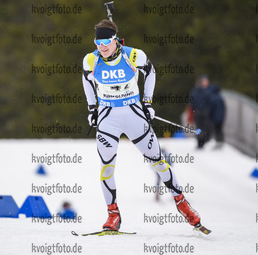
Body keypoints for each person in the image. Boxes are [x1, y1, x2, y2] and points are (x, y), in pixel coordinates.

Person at [82, 19, 205, 232]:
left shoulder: (133, 55)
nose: (101, 46)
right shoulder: (91, 60)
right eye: (97, 42)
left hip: (133, 114)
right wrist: (92, 108)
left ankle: (182, 203)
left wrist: (147, 103)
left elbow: (151, 73)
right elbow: (86, 80)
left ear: (115, 40)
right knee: (106, 167)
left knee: (158, 161)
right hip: (107, 117)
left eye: (105, 41)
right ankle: (113, 215)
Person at [189, 75, 212, 149]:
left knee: (201, 127)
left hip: (201, 112)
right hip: (200, 112)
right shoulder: (204, 91)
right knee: (201, 127)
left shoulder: (197, 90)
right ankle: (200, 142)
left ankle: (201, 142)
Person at [208, 84, 226, 149]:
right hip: (221, 117)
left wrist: (210, 116)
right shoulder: (220, 98)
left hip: (215, 118)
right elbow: (224, 108)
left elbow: (211, 109)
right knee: (219, 129)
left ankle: (219, 142)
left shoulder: (213, 98)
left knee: (217, 129)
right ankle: (220, 141)